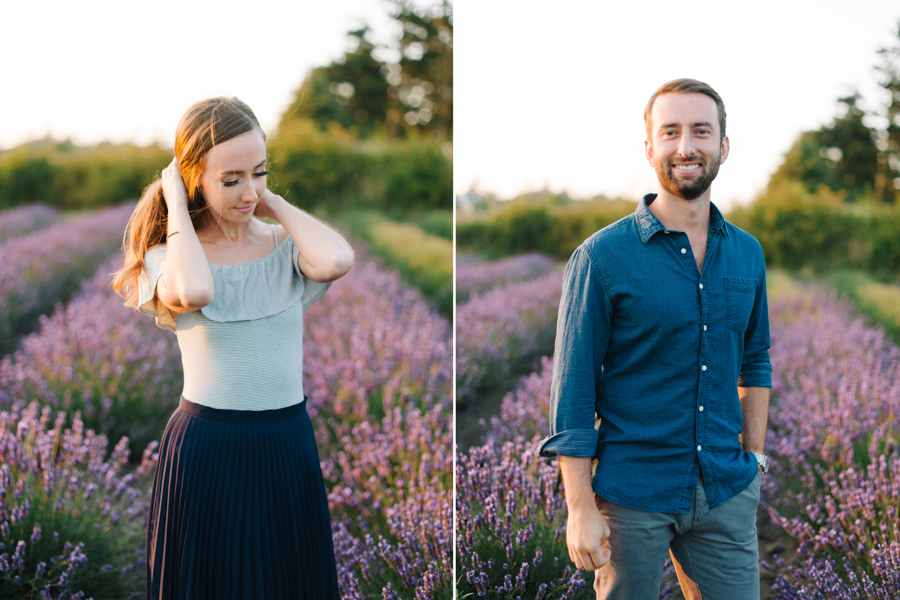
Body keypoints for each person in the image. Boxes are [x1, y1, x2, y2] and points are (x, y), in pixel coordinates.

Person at [537, 79, 772, 600]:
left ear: (724, 147)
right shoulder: (602, 257)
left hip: (725, 491)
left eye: (701, 131)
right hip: (631, 496)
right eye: (671, 132)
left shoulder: (748, 254)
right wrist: (579, 509)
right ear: (650, 148)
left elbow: (755, 360)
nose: (686, 146)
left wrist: (754, 460)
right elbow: (573, 389)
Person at [113, 96, 354, 599]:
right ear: (192, 177)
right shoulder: (169, 255)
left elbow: (336, 259)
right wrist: (176, 204)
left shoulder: (282, 247)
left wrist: (272, 204)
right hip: (210, 447)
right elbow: (196, 292)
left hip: (286, 440)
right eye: (231, 179)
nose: (249, 191)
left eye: (260, 172)